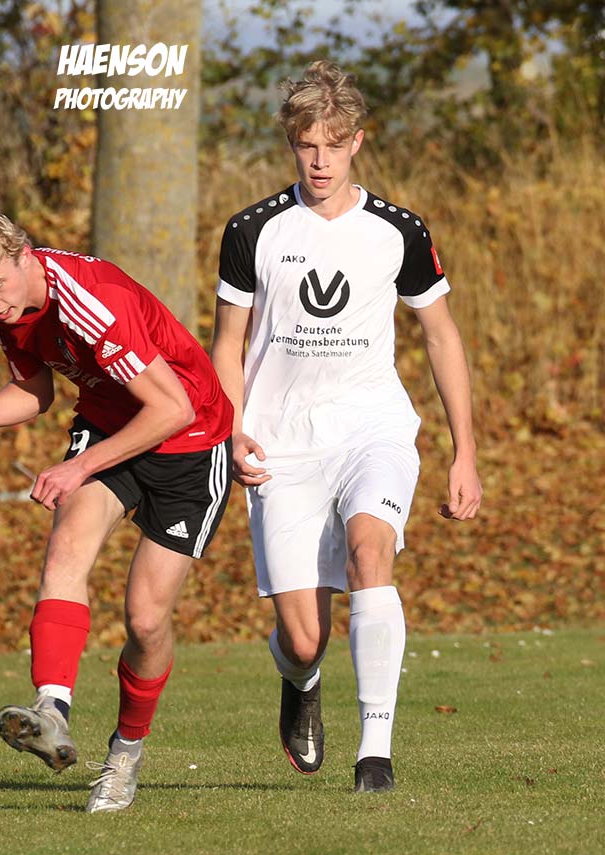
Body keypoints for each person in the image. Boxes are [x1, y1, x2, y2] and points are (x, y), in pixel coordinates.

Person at [210, 61, 482, 793]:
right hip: (282, 442)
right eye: (307, 145)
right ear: (291, 143)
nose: (320, 160)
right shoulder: (252, 230)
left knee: (370, 554)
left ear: (358, 141)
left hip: (373, 428)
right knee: (305, 639)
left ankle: (375, 756)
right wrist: (233, 430)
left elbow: (441, 335)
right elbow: (227, 345)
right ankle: (300, 679)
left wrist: (465, 450)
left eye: (334, 144)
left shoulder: (399, 230)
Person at [0, 200, 232, 812]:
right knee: (66, 549)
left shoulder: (91, 301)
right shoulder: (7, 305)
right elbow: (34, 391)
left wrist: (79, 466)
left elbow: (171, 409)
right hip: (110, 425)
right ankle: (52, 710)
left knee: (145, 621)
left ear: (25, 255)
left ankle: (125, 754)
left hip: (190, 443)